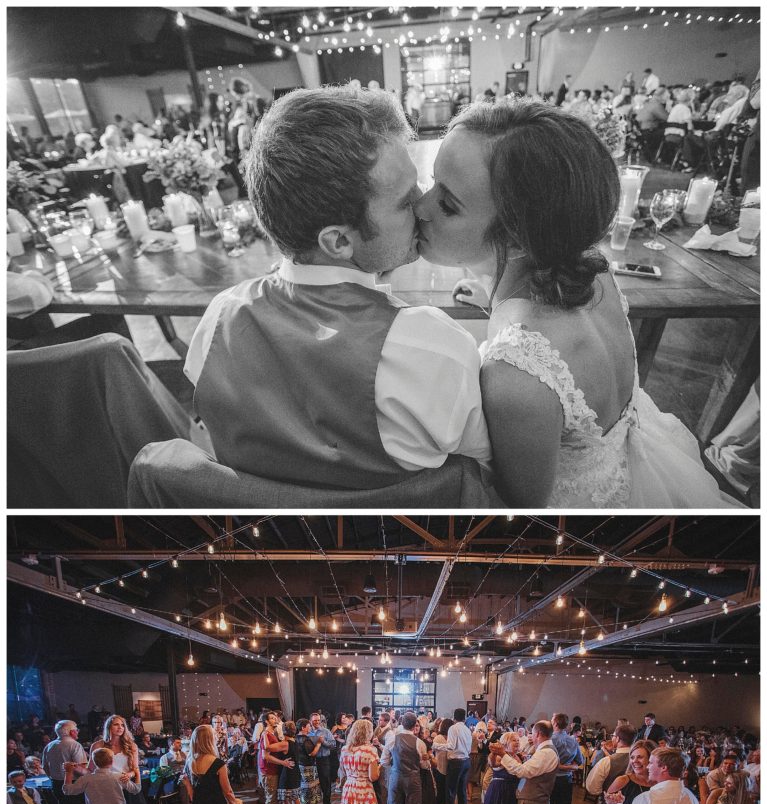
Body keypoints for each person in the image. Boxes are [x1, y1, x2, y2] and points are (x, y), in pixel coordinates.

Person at [415, 99, 738, 508]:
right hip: (645, 464)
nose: (421, 207)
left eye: (447, 204)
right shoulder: (595, 273)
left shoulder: (515, 375)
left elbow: (522, 506)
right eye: (432, 183)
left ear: (518, 238)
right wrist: (491, 297)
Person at [184, 85, 491, 492]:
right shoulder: (430, 349)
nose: (423, 205)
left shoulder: (213, 326)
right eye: (404, 200)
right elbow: (487, 471)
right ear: (339, 242)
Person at [382, 711, 426, 804]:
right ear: (415, 726)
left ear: (401, 723)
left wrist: (395, 768)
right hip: (413, 779)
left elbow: (384, 761)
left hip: (395, 777)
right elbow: (424, 765)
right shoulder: (419, 743)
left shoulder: (392, 739)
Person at [42, 720, 90, 804]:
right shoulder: (74, 745)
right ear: (72, 731)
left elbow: (45, 767)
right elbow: (80, 769)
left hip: (57, 783)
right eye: (76, 729)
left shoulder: (49, 746)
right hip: (74, 782)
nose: (78, 732)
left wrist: (54, 777)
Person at [542, 712, 584, 804]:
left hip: (551, 779)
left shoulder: (550, 740)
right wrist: (569, 767)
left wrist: (560, 766)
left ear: (554, 723)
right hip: (566, 781)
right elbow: (580, 760)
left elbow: (546, 762)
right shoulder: (573, 740)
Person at [257, 711, 291, 804]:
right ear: (266, 721)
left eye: (275, 717)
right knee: (270, 796)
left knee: (274, 795)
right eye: (272, 718)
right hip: (268, 770)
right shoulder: (266, 734)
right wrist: (283, 762)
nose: (275, 719)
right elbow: (265, 756)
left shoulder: (271, 733)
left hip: (273, 769)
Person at [443, 708, 472, 804]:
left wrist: (435, 744)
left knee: (450, 792)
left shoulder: (453, 728)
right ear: (464, 717)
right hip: (466, 761)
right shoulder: (467, 729)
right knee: (462, 792)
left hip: (455, 763)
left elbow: (450, 746)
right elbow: (469, 749)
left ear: (454, 718)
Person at [274, 720, 303, 804]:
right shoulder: (294, 741)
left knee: (286, 800)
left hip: (287, 773)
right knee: (295, 797)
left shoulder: (285, 744)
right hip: (295, 772)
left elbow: (268, 748)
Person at [309, 711, 336, 804]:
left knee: (325, 783)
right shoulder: (308, 731)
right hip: (311, 761)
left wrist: (323, 742)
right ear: (310, 721)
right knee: (310, 784)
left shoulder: (326, 732)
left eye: (318, 720)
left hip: (323, 760)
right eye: (315, 720)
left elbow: (333, 745)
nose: (317, 722)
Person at [296, 718, 322, 804]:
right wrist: (319, 744)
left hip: (299, 765)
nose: (310, 727)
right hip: (307, 767)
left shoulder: (295, 738)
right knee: (308, 788)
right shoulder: (305, 739)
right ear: (303, 728)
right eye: (309, 726)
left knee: (302, 787)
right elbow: (312, 753)